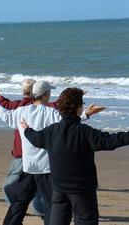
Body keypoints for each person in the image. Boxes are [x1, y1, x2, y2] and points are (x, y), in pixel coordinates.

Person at [0, 80, 105, 225]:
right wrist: (87, 114)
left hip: (29, 166)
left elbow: (5, 115)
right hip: (46, 169)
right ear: (45, 95)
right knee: (51, 205)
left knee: (20, 201)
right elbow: (68, 124)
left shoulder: (21, 112)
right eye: (49, 92)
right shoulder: (52, 113)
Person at [22, 87, 129, 225]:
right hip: (81, 191)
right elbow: (111, 140)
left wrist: (27, 130)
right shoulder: (84, 132)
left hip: (59, 189)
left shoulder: (52, 131)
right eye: (82, 104)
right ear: (78, 109)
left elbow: (35, 138)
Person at [0, 79, 44, 216]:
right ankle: (35, 209)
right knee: (34, 183)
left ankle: (25, 207)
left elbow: (6, 105)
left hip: (23, 153)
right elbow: (6, 105)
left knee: (13, 183)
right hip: (34, 153)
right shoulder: (38, 106)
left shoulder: (19, 106)